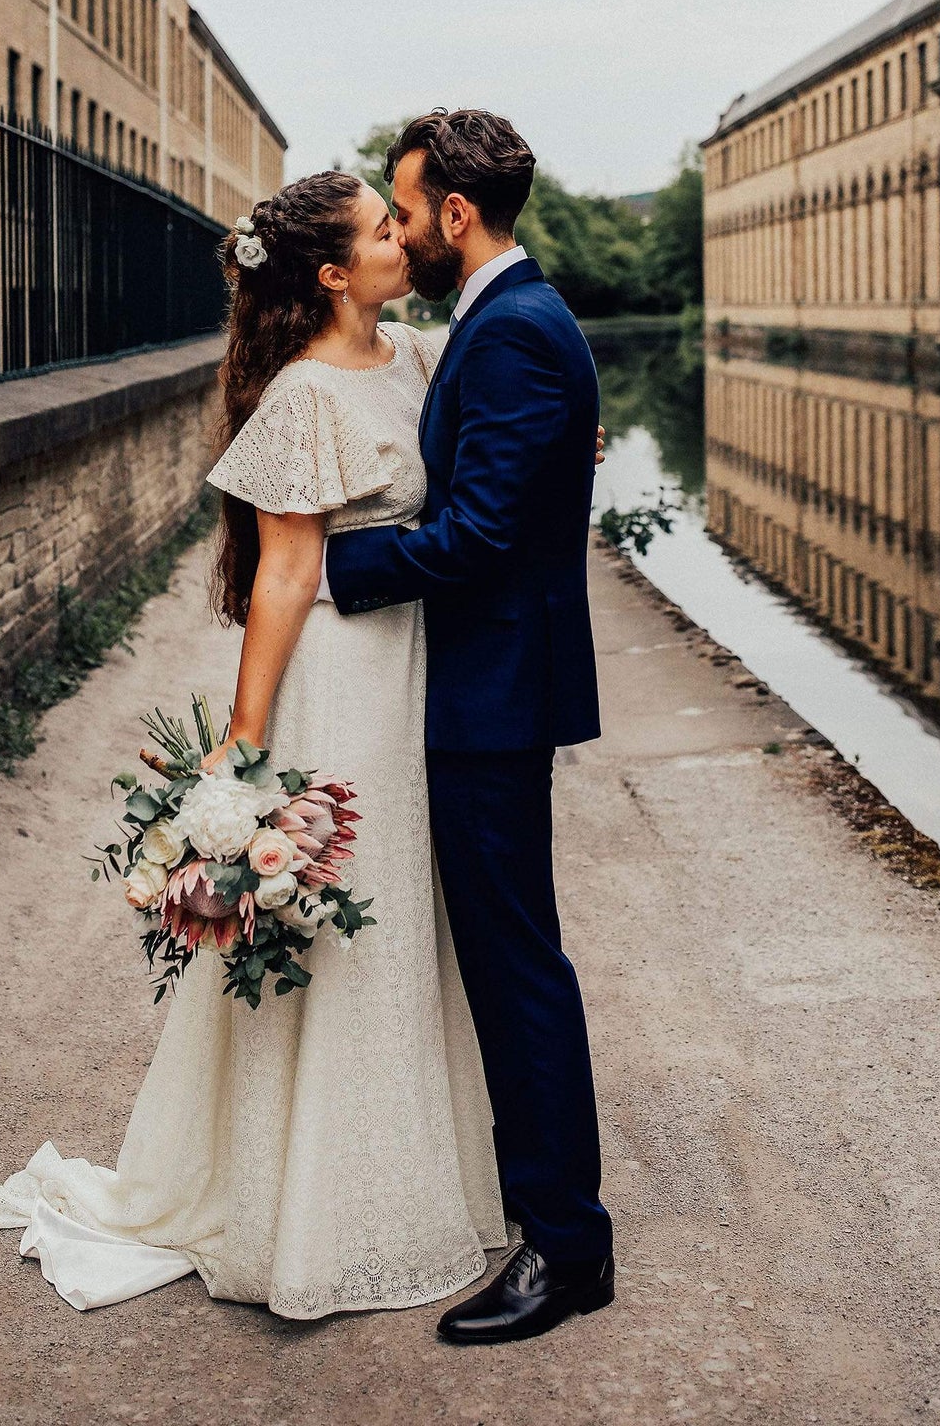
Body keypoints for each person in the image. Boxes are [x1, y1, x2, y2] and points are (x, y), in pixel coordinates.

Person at [0, 170, 506, 1318]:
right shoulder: (303, 398)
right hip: (343, 677)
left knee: (406, 908)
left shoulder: (415, 356)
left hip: (415, 664)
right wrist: (245, 743)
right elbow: (282, 572)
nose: (399, 238)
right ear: (330, 272)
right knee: (344, 909)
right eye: (381, 229)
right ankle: (305, 1203)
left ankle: (410, 1170)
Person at [324, 108, 615, 1345]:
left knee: (515, 970)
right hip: (490, 688)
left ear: (455, 214)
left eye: (402, 209)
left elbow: (480, 537)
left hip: (492, 702)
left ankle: (565, 1249)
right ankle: (544, 1214)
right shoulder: (506, 323)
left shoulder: (510, 336)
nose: (395, 230)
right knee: (507, 962)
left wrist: (333, 565)